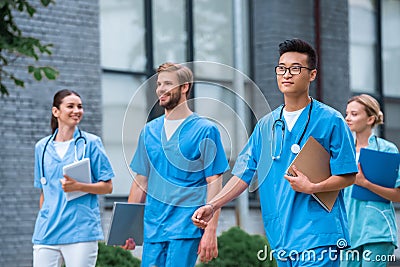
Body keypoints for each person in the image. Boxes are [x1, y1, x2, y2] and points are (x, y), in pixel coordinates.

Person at [192, 38, 359, 267]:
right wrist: (213, 205)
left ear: (312, 75)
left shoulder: (331, 120)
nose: (286, 74)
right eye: (281, 68)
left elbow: (349, 174)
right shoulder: (266, 126)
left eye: (295, 68)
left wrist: (313, 188)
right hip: (281, 239)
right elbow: (243, 174)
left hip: (319, 235)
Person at [123, 62, 229, 267]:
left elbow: (214, 181)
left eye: (168, 83)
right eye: (159, 83)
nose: (161, 89)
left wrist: (211, 230)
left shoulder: (205, 130)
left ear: (184, 87)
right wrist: (127, 226)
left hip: (186, 227)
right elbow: (141, 181)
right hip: (153, 227)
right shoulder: (149, 132)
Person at [32, 89, 114, 267]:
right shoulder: (42, 148)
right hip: (47, 231)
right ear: (56, 112)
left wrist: (79, 186)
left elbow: (107, 187)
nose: (77, 110)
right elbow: (44, 192)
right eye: (70, 106)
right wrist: (46, 216)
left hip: (80, 231)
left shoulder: (91, 143)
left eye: (80, 106)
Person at [340, 94, 400, 267]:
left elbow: (397, 195)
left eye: (354, 114)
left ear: (370, 119)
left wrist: (366, 184)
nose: (348, 118)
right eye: (347, 113)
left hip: (377, 232)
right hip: (348, 233)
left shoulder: (386, 149)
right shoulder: (343, 150)